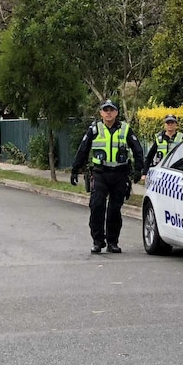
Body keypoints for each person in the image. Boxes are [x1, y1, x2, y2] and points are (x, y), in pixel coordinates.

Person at [70, 99, 144, 254]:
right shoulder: (95, 129)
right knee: (97, 206)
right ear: (101, 113)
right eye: (106, 110)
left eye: (111, 110)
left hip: (119, 174)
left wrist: (139, 170)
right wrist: (75, 169)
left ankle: (112, 242)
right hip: (100, 173)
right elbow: (83, 149)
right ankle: (97, 241)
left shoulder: (125, 129)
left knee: (114, 210)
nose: (108, 113)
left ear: (116, 112)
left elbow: (137, 150)